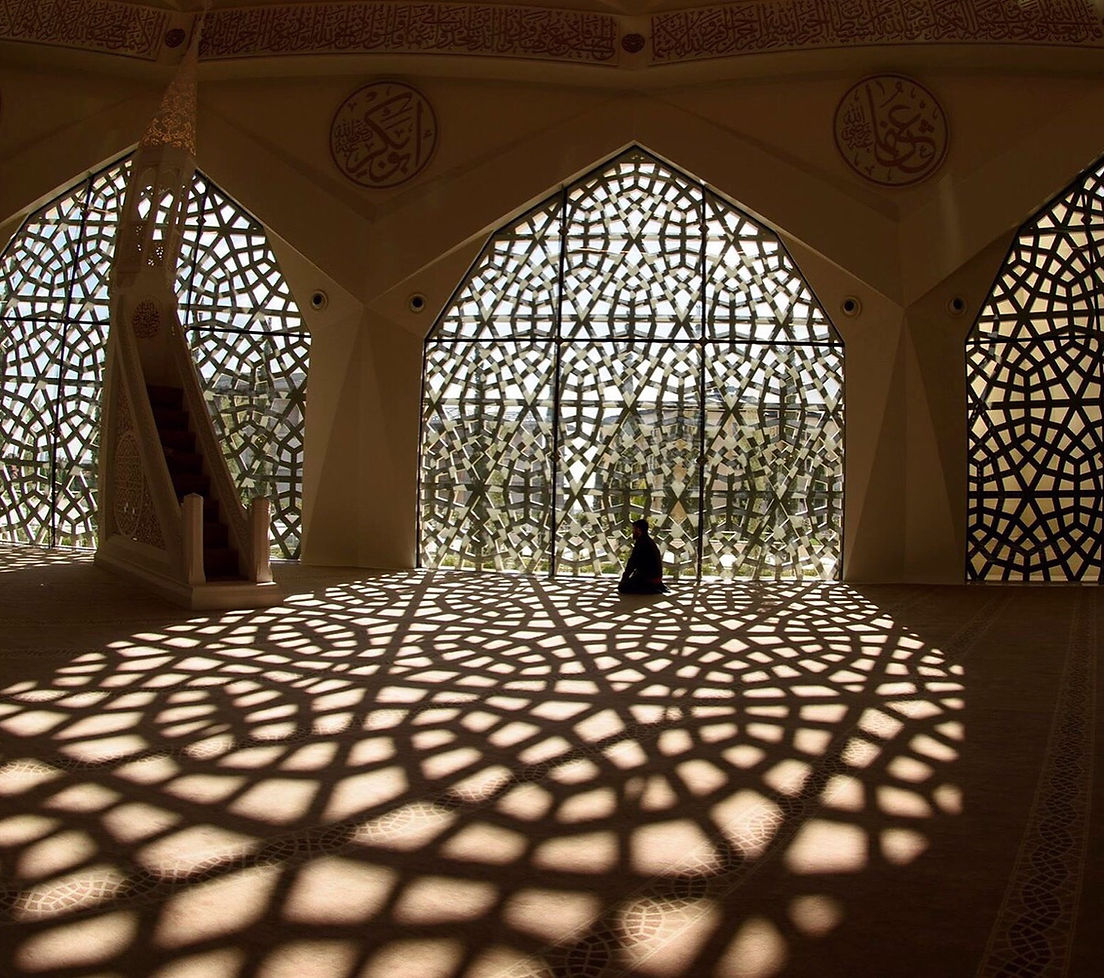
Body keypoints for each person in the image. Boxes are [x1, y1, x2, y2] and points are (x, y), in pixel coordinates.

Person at [618, 518, 668, 594]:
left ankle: (651, 589)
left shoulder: (641, 542)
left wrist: (624, 579)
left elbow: (632, 562)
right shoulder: (649, 541)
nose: (632, 532)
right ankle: (655, 586)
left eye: (634, 529)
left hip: (650, 579)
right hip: (656, 577)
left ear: (638, 530)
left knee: (622, 588)